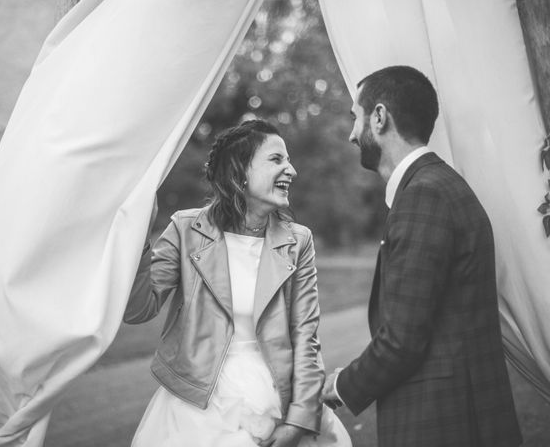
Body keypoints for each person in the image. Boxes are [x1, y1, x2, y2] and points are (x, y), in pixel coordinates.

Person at [320, 65, 522, 446]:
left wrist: (341, 385)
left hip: (443, 421)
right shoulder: (437, 184)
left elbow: (402, 339)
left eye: (354, 117)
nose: (350, 134)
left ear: (379, 117)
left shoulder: (423, 195)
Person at [124, 119, 351, 447]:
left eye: (288, 160)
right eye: (276, 159)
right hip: (196, 406)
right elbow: (137, 309)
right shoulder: (186, 230)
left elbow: (306, 338)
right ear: (238, 173)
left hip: (275, 396)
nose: (292, 170)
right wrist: (138, 237)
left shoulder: (298, 241)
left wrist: (299, 421)